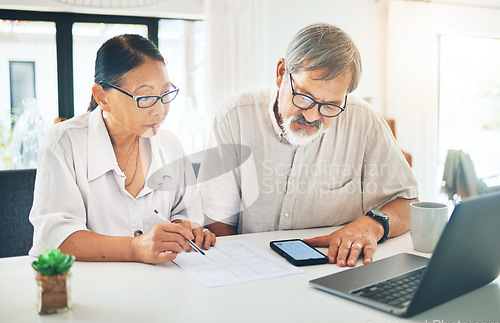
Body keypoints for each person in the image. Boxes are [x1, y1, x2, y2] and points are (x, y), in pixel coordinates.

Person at [198, 23, 418, 267]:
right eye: (303, 96)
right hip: (251, 268)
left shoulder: (365, 121)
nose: (313, 116)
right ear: (281, 73)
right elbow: (218, 224)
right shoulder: (235, 117)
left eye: (331, 106)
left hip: (336, 267)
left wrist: (373, 224)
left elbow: (408, 204)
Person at [29, 34, 215, 264]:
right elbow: (57, 238)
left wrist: (182, 228)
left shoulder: (170, 144)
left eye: (165, 94)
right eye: (145, 96)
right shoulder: (63, 142)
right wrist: (136, 248)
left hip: (164, 284)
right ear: (102, 97)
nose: (160, 111)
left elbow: (186, 213)